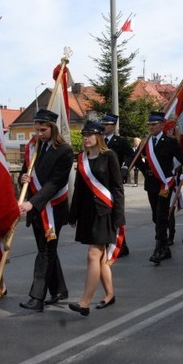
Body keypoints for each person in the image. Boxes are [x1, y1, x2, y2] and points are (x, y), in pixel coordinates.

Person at [67, 121, 125, 316]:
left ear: (99, 136)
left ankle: (85, 302)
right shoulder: (81, 158)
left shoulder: (109, 156)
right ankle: (110, 294)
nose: (86, 138)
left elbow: (117, 187)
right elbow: (79, 189)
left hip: (104, 212)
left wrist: (119, 216)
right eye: (84, 135)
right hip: (87, 213)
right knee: (100, 258)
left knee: (93, 254)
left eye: (89, 134)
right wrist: (73, 214)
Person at [18, 109, 73, 312]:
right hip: (36, 208)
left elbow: (56, 183)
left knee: (45, 251)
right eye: (37, 129)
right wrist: (22, 178)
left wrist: (32, 203)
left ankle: (37, 298)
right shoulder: (33, 148)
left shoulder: (64, 151)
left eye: (43, 130)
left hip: (53, 209)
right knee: (48, 249)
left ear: (53, 128)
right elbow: (25, 172)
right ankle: (59, 289)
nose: (39, 134)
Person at [136, 111, 183, 265]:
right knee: (156, 216)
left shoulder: (170, 142)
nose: (151, 127)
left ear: (162, 125)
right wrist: (142, 170)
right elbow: (135, 158)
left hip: (165, 184)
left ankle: (158, 249)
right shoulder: (146, 142)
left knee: (162, 215)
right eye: (149, 124)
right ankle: (165, 249)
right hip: (151, 184)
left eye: (154, 124)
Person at [101, 113, 132, 257]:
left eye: (107, 125)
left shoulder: (120, 141)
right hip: (101, 181)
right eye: (103, 124)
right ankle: (109, 243)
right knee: (105, 213)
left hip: (114, 180)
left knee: (117, 213)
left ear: (113, 126)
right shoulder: (99, 140)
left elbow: (130, 154)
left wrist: (125, 167)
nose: (104, 127)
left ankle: (121, 244)